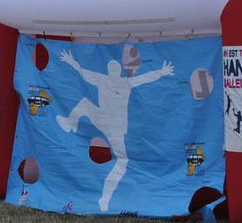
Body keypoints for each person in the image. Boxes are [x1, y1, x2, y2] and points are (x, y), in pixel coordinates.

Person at [56, 49, 173, 211]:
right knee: (84, 104)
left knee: (122, 160)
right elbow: (83, 72)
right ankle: (70, 122)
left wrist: (161, 72)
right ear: (112, 71)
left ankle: (104, 199)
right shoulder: (108, 80)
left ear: (115, 71)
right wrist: (70, 61)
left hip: (112, 126)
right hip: (107, 122)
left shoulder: (118, 82)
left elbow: (143, 78)